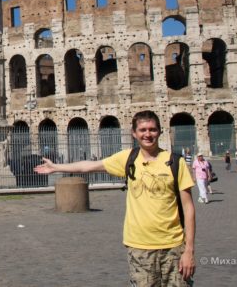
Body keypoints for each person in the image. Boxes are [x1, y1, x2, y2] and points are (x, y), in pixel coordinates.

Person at [34, 112, 195, 286]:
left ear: (160, 131)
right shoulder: (128, 158)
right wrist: (56, 167)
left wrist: (189, 250)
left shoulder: (175, 162)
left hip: (174, 246)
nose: (147, 134)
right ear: (134, 133)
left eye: (152, 129)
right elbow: (89, 166)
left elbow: (189, 209)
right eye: (142, 130)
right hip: (139, 245)